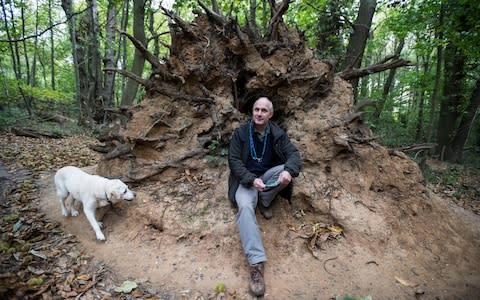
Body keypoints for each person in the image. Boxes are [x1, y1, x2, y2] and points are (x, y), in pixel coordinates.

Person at [227, 96, 302, 297]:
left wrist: (289, 171)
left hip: (268, 177)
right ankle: (256, 264)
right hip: (248, 181)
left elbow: (294, 155)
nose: (259, 114)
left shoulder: (278, 134)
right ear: (252, 112)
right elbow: (234, 161)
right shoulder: (241, 133)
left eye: (264, 110)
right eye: (256, 110)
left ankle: (265, 201)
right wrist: (251, 179)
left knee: (285, 173)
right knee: (244, 207)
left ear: (271, 114)